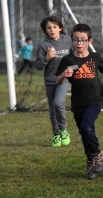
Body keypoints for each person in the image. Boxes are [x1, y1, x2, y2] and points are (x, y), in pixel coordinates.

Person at [55, 24, 103, 180]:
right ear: (72, 40)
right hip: (78, 103)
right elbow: (57, 81)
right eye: (76, 40)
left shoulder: (95, 57)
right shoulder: (68, 59)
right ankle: (91, 161)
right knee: (84, 132)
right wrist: (63, 75)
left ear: (90, 40)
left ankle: (96, 154)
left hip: (95, 100)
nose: (79, 43)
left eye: (83, 40)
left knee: (87, 127)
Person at [35, 16, 72, 148]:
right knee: (52, 109)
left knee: (58, 103)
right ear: (45, 30)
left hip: (64, 78)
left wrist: (71, 71)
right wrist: (47, 58)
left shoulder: (68, 41)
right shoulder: (44, 45)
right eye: (49, 28)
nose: (52, 30)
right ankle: (56, 134)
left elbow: (75, 58)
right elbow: (39, 65)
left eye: (54, 27)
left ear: (60, 28)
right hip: (50, 80)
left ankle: (63, 130)